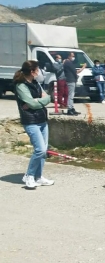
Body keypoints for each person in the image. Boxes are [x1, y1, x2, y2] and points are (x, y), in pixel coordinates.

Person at [14, 60, 54, 189]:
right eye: (37, 70)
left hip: (42, 119)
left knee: (44, 151)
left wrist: (38, 100)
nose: (39, 72)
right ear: (32, 72)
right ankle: (29, 175)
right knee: (39, 149)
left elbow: (48, 97)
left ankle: (38, 176)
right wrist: (38, 101)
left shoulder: (36, 83)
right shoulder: (21, 86)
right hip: (31, 121)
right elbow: (32, 104)